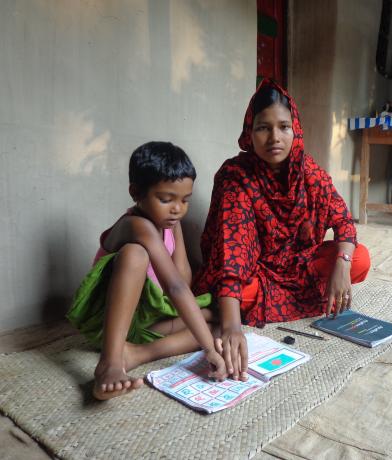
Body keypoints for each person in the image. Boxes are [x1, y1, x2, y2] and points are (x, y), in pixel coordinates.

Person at [193, 79, 371, 381]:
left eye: (283, 127)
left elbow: (342, 220)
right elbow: (231, 253)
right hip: (256, 272)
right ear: (250, 132)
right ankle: (230, 313)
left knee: (359, 259)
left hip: (299, 266)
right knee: (233, 294)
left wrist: (341, 266)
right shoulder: (235, 176)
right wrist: (233, 327)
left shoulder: (309, 172)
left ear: (295, 129)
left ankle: (239, 310)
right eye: (263, 127)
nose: (274, 137)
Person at [67, 141, 226, 400]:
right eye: (166, 199)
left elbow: (181, 279)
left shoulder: (170, 221)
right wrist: (209, 351)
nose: (177, 208)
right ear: (136, 192)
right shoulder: (136, 225)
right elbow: (174, 287)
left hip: (144, 319)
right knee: (135, 254)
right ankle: (110, 361)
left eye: (185, 200)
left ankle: (136, 354)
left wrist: (176, 231)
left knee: (219, 328)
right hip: (110, 325)